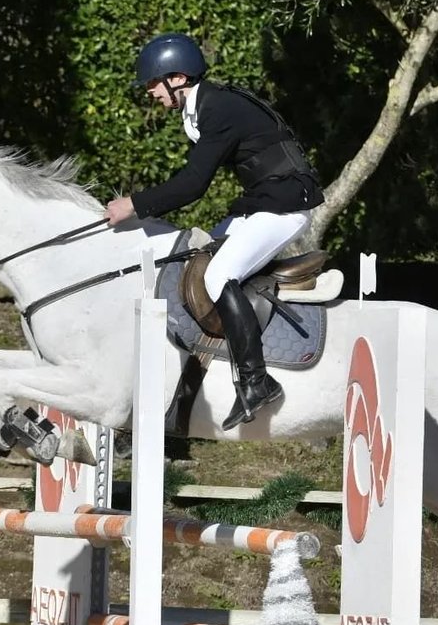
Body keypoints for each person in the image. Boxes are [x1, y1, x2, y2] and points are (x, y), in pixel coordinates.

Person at [105, 32, 324, 430]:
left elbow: (192, 184)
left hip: (288, 205)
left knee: (219, 273)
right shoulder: (204, 105)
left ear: (177, 77)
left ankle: (258, 382)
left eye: (154, 83)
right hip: (264, 202)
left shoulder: (217, 108)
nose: (151, 93)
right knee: (197, 258)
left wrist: (133, 205)